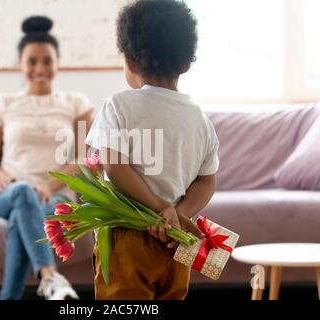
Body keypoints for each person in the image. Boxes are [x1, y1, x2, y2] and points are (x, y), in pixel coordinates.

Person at [85, 0, 219, 300]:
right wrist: (178, 213)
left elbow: (112, 164)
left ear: (130, 61)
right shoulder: (200, 119)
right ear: (186, 62)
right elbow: (207, 181)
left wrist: (160, 207)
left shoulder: (119, 105)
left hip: (127, 239)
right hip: (176, 240)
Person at [0, 16, 93, 300]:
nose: (40, 68)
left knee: (25, 214)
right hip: (8, 193)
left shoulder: (76, 103)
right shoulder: (3, 103)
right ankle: (50, 276)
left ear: (58, 63)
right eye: (32, 61)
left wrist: (48, 186)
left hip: (56, 198)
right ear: (21, 64)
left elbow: (83, 158)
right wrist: (5, 179)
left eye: (47, 61)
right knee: (22, 194)